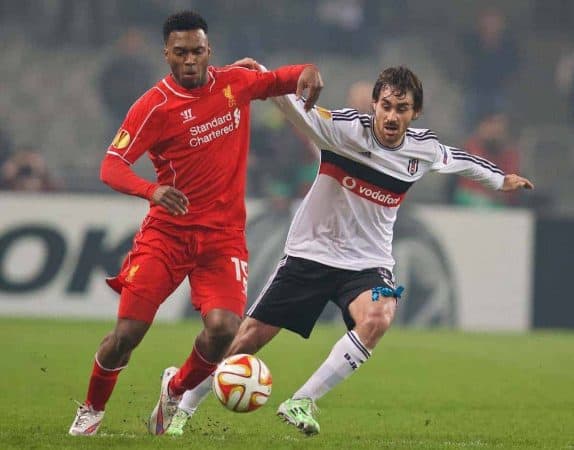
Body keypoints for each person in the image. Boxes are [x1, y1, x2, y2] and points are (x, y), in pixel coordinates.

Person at [164, 62, 534, 437]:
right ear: (374, 104)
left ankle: (302, 400)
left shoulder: (422, 149)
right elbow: (289, 103)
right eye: (386, 105)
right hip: (311, 253)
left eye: (401, 108)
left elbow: (460, 161)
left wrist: (501, 179)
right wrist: (258, 71)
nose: (391, 116)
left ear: (414, 113)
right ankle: (184, 406)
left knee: (380, 315)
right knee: (246, 340)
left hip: (367, 264)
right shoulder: (341, 129)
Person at [68, 11, 323, 436]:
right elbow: (112, 166)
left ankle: (176, 388)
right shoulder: (154, 106)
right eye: (181, 52)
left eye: (198, 51)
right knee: (127, 334)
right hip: (167, 236)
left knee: (224, 330)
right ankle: (92, 409)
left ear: (210, 52)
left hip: (222, 239)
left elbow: (284, 78)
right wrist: (152, 191)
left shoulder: (234, 85)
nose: (190, 60)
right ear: (166, 53)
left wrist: (309, 71)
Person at [451, 110, 522, 207]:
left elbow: (511, 190)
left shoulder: (510, 155)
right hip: (466, 206)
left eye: (499, 126)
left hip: (500, 208)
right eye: (490, 124)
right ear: (481, 127)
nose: (494, 129)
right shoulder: (468, 149)